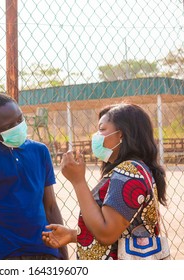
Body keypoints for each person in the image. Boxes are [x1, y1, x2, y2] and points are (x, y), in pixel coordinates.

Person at [42, 103, 167, 260]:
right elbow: (118, 231)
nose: (96, 135)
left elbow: (106, 233)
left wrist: (78, 181)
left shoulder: (129, 172)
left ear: (120, 134)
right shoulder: (131, 169)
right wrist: (73, 235)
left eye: (102, 129)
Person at [0, 93, 68, 260]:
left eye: (20, 119)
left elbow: (51, 207)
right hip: (6, 256)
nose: (17, 127)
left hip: (47, 250)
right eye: (8, 126)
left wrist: (63, 255)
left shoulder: (40, 151)